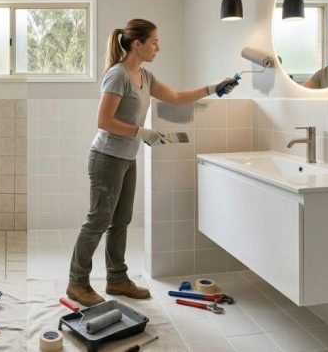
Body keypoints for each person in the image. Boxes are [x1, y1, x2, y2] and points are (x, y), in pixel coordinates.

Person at [65, 18, 239, 307]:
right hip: (106, 158)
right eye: (154, 41)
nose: (158, 47)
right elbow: (104, 121)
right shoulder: (118, 75)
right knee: (98, 221)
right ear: (138, 44)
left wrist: (213, 87)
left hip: (126, 158)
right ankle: (77, 282)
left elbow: (176, 98)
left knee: (120, 222)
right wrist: (140, 131)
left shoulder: (145, 76)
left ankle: (117, 279)